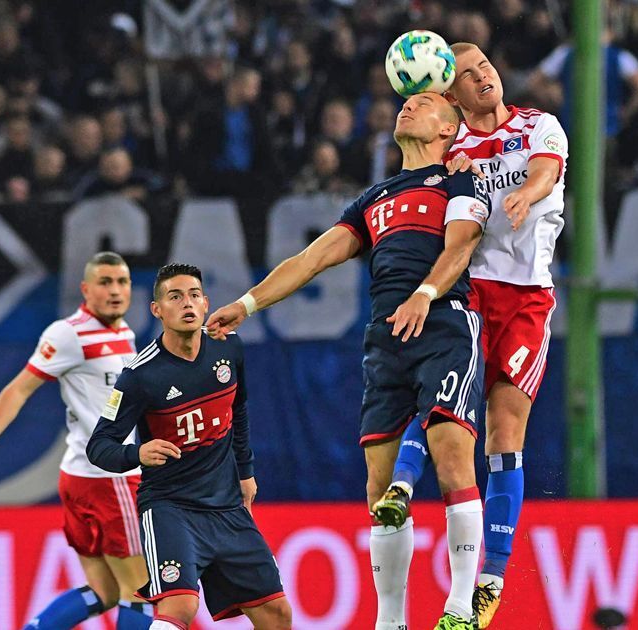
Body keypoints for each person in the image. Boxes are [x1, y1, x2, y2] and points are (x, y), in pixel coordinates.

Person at [205, 91, 490, 630]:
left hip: (445, 322)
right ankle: (391, 621)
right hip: (386, 338)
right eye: (408, 101)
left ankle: (458, 607)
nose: (408, 106)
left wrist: (426, 293)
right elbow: (310, 258)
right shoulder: (374, 198)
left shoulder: (458, 180)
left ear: (449, 130)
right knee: (378, 485)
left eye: (426, 103)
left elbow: (460, 247)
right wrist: (246, 304)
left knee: (452, 455)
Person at [381, 42, 569, 628]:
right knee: (446, 398)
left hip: (526, 298)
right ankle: (402, 490)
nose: (483, 76)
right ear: (451, 94)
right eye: (467, 74)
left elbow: (544, 172)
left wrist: (524, 193)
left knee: (504, 432)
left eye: (486, 65)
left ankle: (491, 577)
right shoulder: (453, 148)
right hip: (470, 291)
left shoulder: (540, 124)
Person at [0, 252, 152, 630]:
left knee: (104, 591)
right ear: (85, 289)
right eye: (105, 282)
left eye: (122, 282)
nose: (115, 291)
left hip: (79, 475)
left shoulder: (123, 333)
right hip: (109, 477)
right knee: (139, 590)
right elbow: (20, 387)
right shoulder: (69, 333)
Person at [87, 264, 292, 630]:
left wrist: (245, 472)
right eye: (175, 296)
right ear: (157, 310)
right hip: (171, 508)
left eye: (195, 295)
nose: (188, 304)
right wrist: (137, 453)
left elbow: (238, 410)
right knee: (180, 606)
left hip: (227, 505)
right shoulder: (139, 376)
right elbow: (99, 446)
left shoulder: (228, 348)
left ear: (206, 302)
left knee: (276, 614)